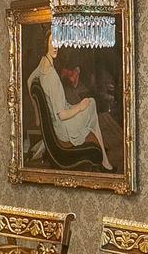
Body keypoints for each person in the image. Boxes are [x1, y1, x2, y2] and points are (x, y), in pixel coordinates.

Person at [28, 36, 109, 167]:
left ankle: (102, 151)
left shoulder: (43, 62)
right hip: (64, 128)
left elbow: (29, 81)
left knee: (89, 103)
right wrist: (80, 107)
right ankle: (104, 159)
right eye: (51, 42)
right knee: (91, 104)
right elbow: (62, 115)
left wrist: (37, 114)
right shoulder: (51, 76)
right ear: (45, 44)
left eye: (56, 42)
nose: (55, 46)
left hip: (59, 121)